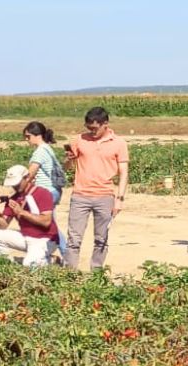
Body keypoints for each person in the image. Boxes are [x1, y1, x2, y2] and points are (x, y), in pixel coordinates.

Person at [62, 106, 128, 271]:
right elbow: (67, 167)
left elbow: (124, 173)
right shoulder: (79, 140)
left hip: (105, 196)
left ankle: (96, 273)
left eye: (94, 128)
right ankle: (69, 274)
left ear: (105, 123)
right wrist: (69, 160)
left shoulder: (119, 143)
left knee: (101, 239)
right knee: (73, 239)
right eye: (88, 128)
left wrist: (119, 200)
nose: (91, 131)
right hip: (80, 195)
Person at [0, 165, 56, 267]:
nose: (15, 186)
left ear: (27, 178)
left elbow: (46, 221)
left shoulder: (42, 193)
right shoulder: (14, 198)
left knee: (29, 264)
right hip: (26, 236)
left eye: (17, 183)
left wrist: (22, 212)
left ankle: (51, 261)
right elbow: (2, 226)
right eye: (13, 184)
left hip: (45, 238)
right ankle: (9, 265)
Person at [17, 122, 66, 257]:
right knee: (48, 223)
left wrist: (19, 188)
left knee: (46, 224)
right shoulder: (47, 149)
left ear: (37, 135)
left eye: (28, 136)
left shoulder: (39, 152)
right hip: (54, 190)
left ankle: (64, 252)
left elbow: (30, 174)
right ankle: (57, 252)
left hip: (46, 192)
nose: (26, 139)